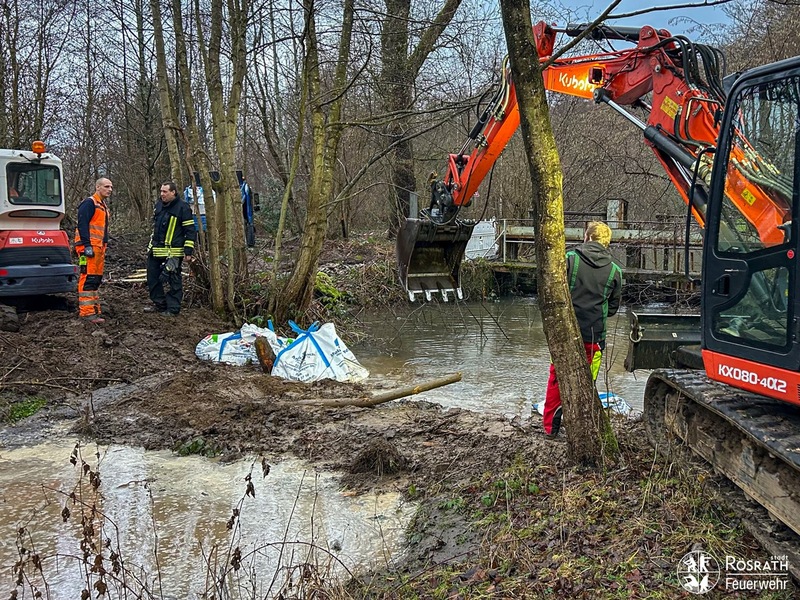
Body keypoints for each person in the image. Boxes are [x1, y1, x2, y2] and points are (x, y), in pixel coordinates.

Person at [542, 221, 623, 438]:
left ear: (586, 237)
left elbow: (554, 290)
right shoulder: (615, 270)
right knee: (588, 381)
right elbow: (613, 308)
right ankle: (580, 428)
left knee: (556, 378)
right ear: (607, 243)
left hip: (565, 332)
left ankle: (551, 427)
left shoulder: (570, 259)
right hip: (595, 336)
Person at [145, 181, 197, 316]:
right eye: (161, 191)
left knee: (174, 280)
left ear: (173, 192)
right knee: (152, 278)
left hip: (173, 252)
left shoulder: (183, 208)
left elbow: (190, 231)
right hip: (155, 249)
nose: (162, 194)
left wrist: (188, 251)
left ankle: (173, 309)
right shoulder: (159, 205)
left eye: (165, 192)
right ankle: (160, 304)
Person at [74, 178, 112, 324]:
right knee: (88, 277)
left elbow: (103, 229)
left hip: (98, 247)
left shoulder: (102, 206)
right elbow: (82, 224)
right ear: (98, 187)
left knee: (95, 278)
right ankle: (87, 312)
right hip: (88, 247)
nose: (110, 189)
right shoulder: (89, 203)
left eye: (111, 187)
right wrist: (87, 245)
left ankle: (94, 310)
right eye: (106, 186)